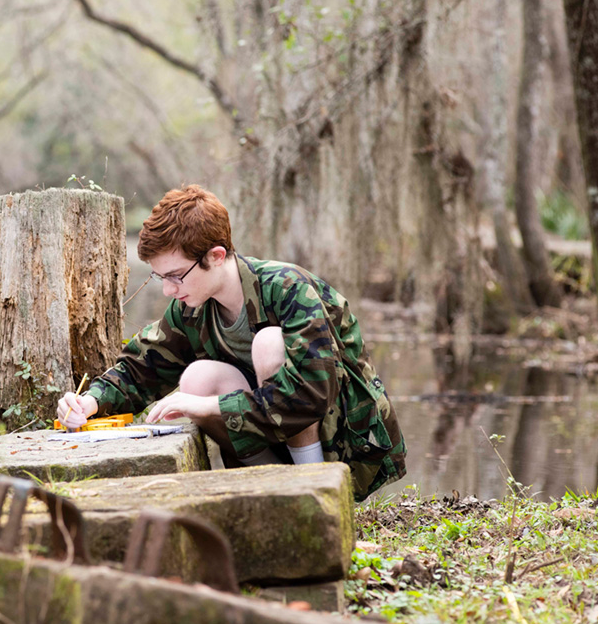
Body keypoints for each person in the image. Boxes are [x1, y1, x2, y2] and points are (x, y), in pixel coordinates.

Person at [55, 185, 405, 500]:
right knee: (198, 378)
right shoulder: (190, 307)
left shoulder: (287, 288)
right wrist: (90, 402)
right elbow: (142, 368)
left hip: (341, 446)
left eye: (176, 276)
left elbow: (309, 395)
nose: (168, 289)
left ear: (216, 256)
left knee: (269, 344)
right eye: (161, 277)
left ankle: (316, 489)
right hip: (267, 438)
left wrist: (208, 407)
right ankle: (264, 490)